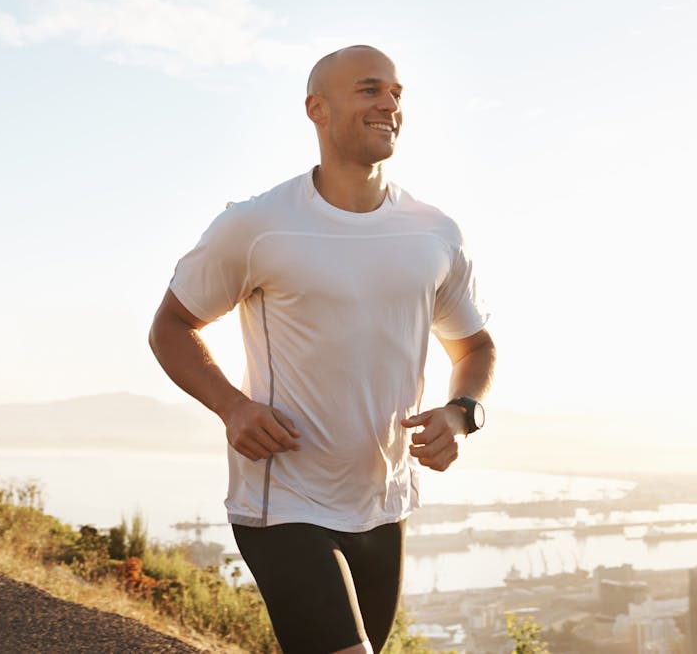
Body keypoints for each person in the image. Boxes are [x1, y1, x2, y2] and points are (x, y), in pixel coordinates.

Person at [149, 45, 496, 654]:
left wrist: (460, 414)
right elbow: (172, 326)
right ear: (317, 108)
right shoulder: (257, 225)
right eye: (369, 89)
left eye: (396, 92)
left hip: (384, 504)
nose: (389, 102)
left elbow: (475, 346)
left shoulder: (433, 232)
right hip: (283, 500)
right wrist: (232, 407)